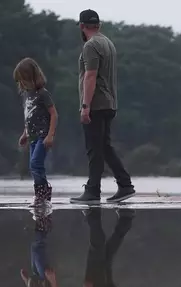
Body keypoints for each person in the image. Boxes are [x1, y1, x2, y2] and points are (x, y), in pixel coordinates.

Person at [71, 9, 135, 205]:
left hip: (96, 104)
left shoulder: (91, 46)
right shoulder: (108, 43)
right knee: (105, 147)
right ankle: (125, 185)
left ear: (82, 26)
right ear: (99, 25)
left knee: (94, 149)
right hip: (110, 102)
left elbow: (90, 75)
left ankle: (93, 191)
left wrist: (85, 106)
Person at [14, 58, 58, 207]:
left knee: (35, 164)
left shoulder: (43, 94)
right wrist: (24, 133)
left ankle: (43, 195)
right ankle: (40, 195)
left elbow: (53, 114)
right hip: (32, 136)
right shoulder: (26, 95)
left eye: (23, 80)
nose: (21, 84)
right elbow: (29, 116)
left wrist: (50, 135)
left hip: (43, 135)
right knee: (34, 166)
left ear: (31, 77)